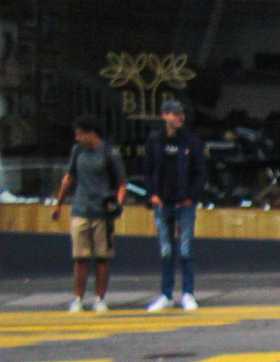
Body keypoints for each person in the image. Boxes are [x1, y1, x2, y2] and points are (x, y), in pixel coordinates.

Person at [49, 113, 125, 313]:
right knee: (80, 258)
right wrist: (59, 203)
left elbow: (121, 183)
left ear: (91, 133)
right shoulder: (78, 152)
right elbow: (69, 177)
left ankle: (100, 298)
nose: (78, 138)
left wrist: (117, 203)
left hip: (102, 211)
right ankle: (78, 298)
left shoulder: (109, 153)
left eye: (80, 134)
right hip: (81, 209)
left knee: (102, 257)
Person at [141, 97, 207, 310]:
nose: (180, 117)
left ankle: (187, 292)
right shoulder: (155, 140)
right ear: (165, 116)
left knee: (186, 250)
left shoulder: (190, 142)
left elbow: (200, 172)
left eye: (181, 114)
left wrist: (192, 196)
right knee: (166, 251)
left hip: (184, 204)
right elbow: (149, 169)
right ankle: (166, 294)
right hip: (163, 202)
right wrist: (152, 194)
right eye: (175, 114)